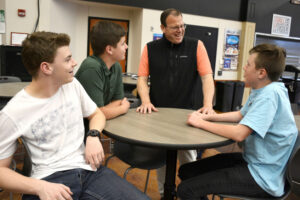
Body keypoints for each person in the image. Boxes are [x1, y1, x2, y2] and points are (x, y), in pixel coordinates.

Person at [0, 31, 149, 200]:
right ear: (46, 67)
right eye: (67, 59)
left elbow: (96, 114)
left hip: (89, 172)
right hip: (49, 179)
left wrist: (93, 135)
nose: (75, 62)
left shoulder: (72, 85)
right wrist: (39, 187)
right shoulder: (13, 112)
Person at [177, 44, 298, 200]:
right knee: (187, 171)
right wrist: (207, 116)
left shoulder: (270, 96)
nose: (244, 68)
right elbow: (241, 115)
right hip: (253, 162)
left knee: (186, 190)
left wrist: (200, 123)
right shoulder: (264, 89)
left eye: (248, 64)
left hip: (262, 177)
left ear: (261, 73)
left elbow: (239, 134)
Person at [136, 8, 215, 198]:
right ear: (163, 28)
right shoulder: (150, 48)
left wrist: (208, 104)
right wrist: (145, 101)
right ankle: (166, 194)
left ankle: (192, 192)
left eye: (182, 26)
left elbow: (207, 77)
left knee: (188, 158)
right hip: (158, 115)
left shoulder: (197, 46)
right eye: (174, 27)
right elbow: (141, 79)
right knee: (162, 159)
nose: (180, 30)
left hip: (188, 114)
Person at [76, 21, 130, 120]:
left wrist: (104, 111)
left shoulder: (116, 66)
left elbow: (118, 100)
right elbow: (94, 115)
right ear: (109, 49)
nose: (126, 47)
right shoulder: (91, 68)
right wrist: (123, 108)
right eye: (122, 44)